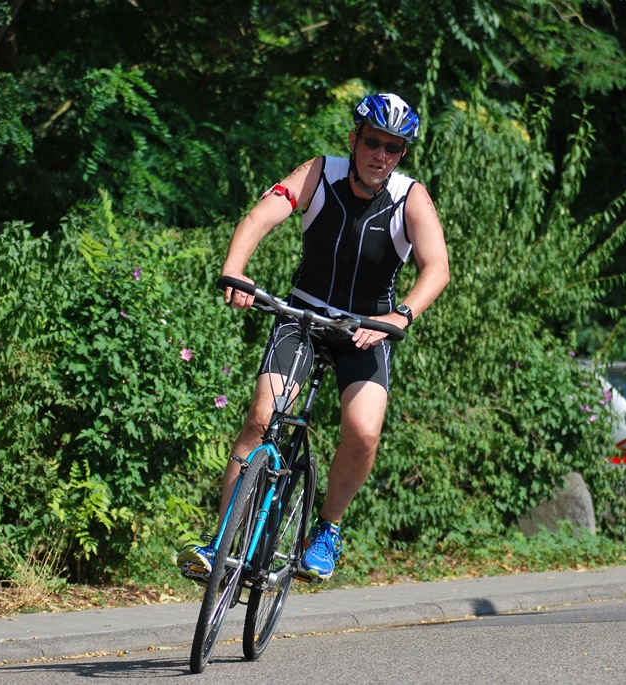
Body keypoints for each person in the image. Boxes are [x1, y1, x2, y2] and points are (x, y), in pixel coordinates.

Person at [178, 92, 450, 583]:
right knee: (262, 417)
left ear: (402, 153)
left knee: (363, 431)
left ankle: (326, 530)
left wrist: (399, 317)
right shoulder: (320, 172)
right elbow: (261, 215)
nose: (381, 155)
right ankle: (219, 543)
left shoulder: (410, 197)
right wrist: (235, 269)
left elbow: (437, 269)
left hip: (366, 331)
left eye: (393, 147)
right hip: (301, 315)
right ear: (354, 139)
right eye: (372, 142)